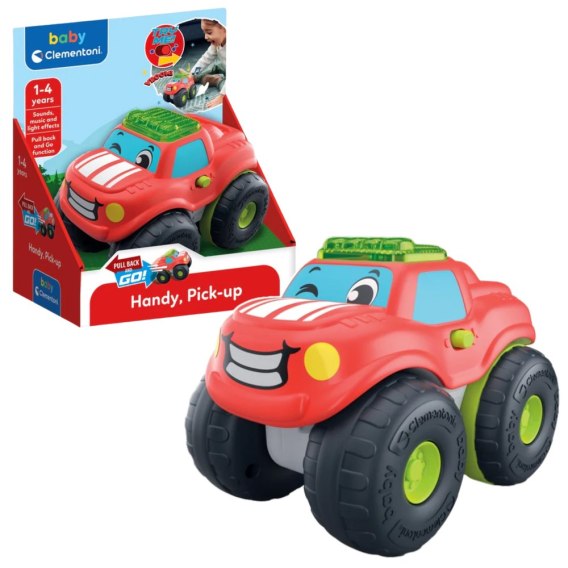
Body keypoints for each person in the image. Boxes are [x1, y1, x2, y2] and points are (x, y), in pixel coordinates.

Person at [192, 19, 226, 94]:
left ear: (224, 28)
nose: (205, 37)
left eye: (209, 32)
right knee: (216, 66)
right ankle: (196, 77)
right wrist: (193, 74)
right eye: (204, 33)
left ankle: (217, 80)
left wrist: (222, 96)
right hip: (224, 67)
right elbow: (205, 60)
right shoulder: (215, 45)